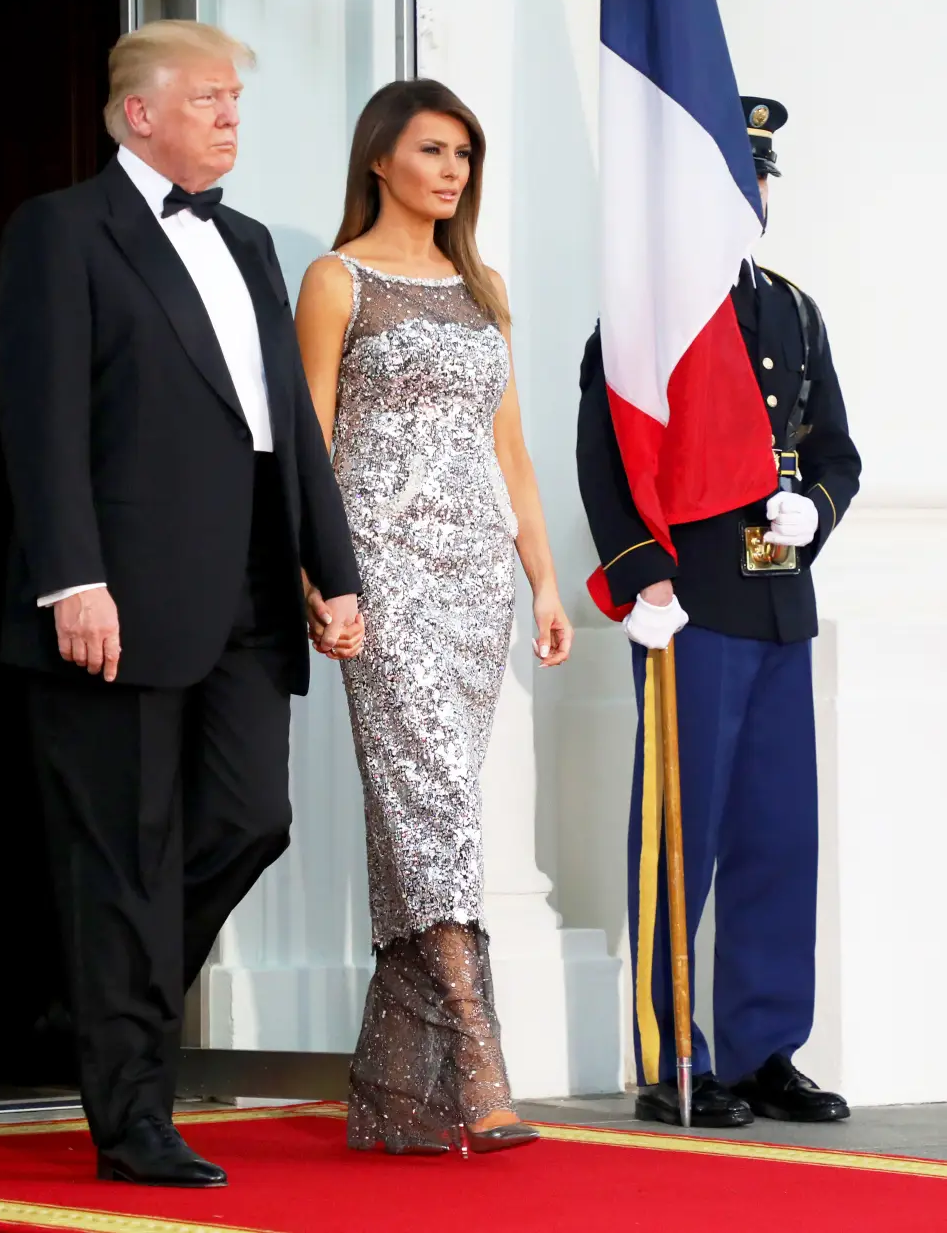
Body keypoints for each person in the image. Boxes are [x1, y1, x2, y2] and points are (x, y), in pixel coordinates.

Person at [0, 20, 361, 1185]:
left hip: (247, 585)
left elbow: (286, 425)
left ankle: (106, 996)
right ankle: (133, 1119)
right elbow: (41, 419)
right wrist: (72, 577)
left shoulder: (246, 241)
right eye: (210, 98)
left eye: (236, 101)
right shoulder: (62, 229)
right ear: (137, 113)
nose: (230, 117)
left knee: (252, 819)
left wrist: (330, 568)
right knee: (122, 858)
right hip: (116, 596)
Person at [294, 78, 573, 1155]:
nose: (451, 169)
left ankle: (395, 1097)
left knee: (441, 802)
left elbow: (512, 455)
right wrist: (321, 579)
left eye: (463, 152)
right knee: (425, 804)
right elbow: (309, 445)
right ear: (379, 159)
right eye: (430, 149)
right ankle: (477, 1053)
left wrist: (543, 582)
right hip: (383, 572)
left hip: (473, 581)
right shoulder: (335, 279)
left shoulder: (482, 285)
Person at [577, 97, 861, 1128]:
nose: (753, 198)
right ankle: (674, 1057)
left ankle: (760, 1046)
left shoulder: (791, 309)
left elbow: (836, 453)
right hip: (689, 606)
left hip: (781, 601)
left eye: (761, 181)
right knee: (678, 836)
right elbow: (606, 459)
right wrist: (642, 573)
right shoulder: (644, 319)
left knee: (777, 837)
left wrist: (813, 508)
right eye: (733, 181)